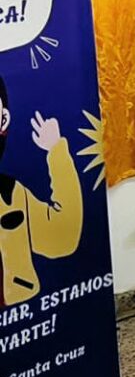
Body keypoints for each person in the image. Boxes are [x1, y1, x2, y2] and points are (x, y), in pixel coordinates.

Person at [0, 75, 83, 306]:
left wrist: (56, 151)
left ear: (4, 120)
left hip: (21, 307)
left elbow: (61, 238)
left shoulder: (11, 193)